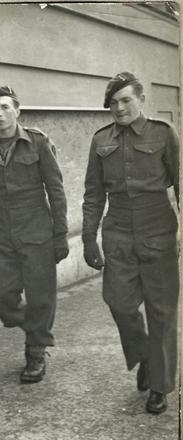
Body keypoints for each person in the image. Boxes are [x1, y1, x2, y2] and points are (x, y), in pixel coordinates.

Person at [82, 72, 179, 414]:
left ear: (141, 100)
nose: (119, 107)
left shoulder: (164, 134)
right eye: (113, 102)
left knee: (161, 311)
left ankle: (160, 386)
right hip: (118, 230)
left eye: (125, 100)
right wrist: (88, 238)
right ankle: (144, 356)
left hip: (157, 229)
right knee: (119, 303)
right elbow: (93, 193)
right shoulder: (101, 140)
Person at [0, 86, 69, 383]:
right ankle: (37, 329)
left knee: (40, 294)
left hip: (37, 224)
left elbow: (56, 190)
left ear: (17, 110)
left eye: (5, 107)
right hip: (4, 227)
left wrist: (60, 234)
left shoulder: (37, 142)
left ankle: (35, 351)